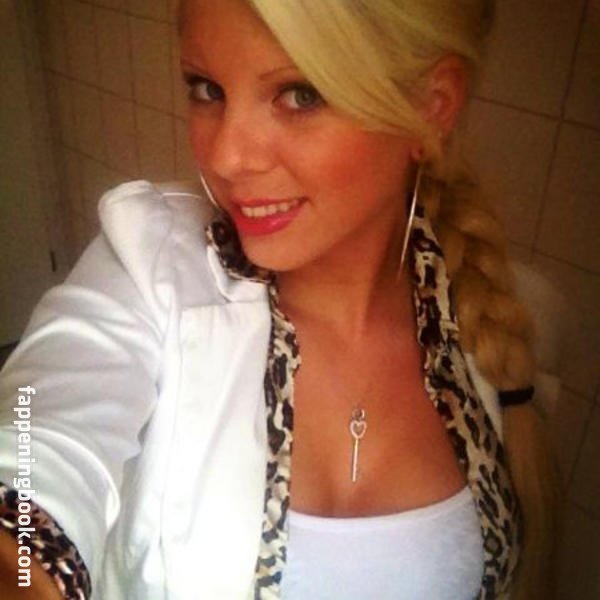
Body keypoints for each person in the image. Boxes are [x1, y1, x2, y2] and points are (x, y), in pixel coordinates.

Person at [0, 1, 561, 598]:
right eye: (207, 88)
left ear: (432, 105)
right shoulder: (148, 267)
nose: (226, 158)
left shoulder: (499, 318)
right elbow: (39, 438)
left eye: (300, 95)